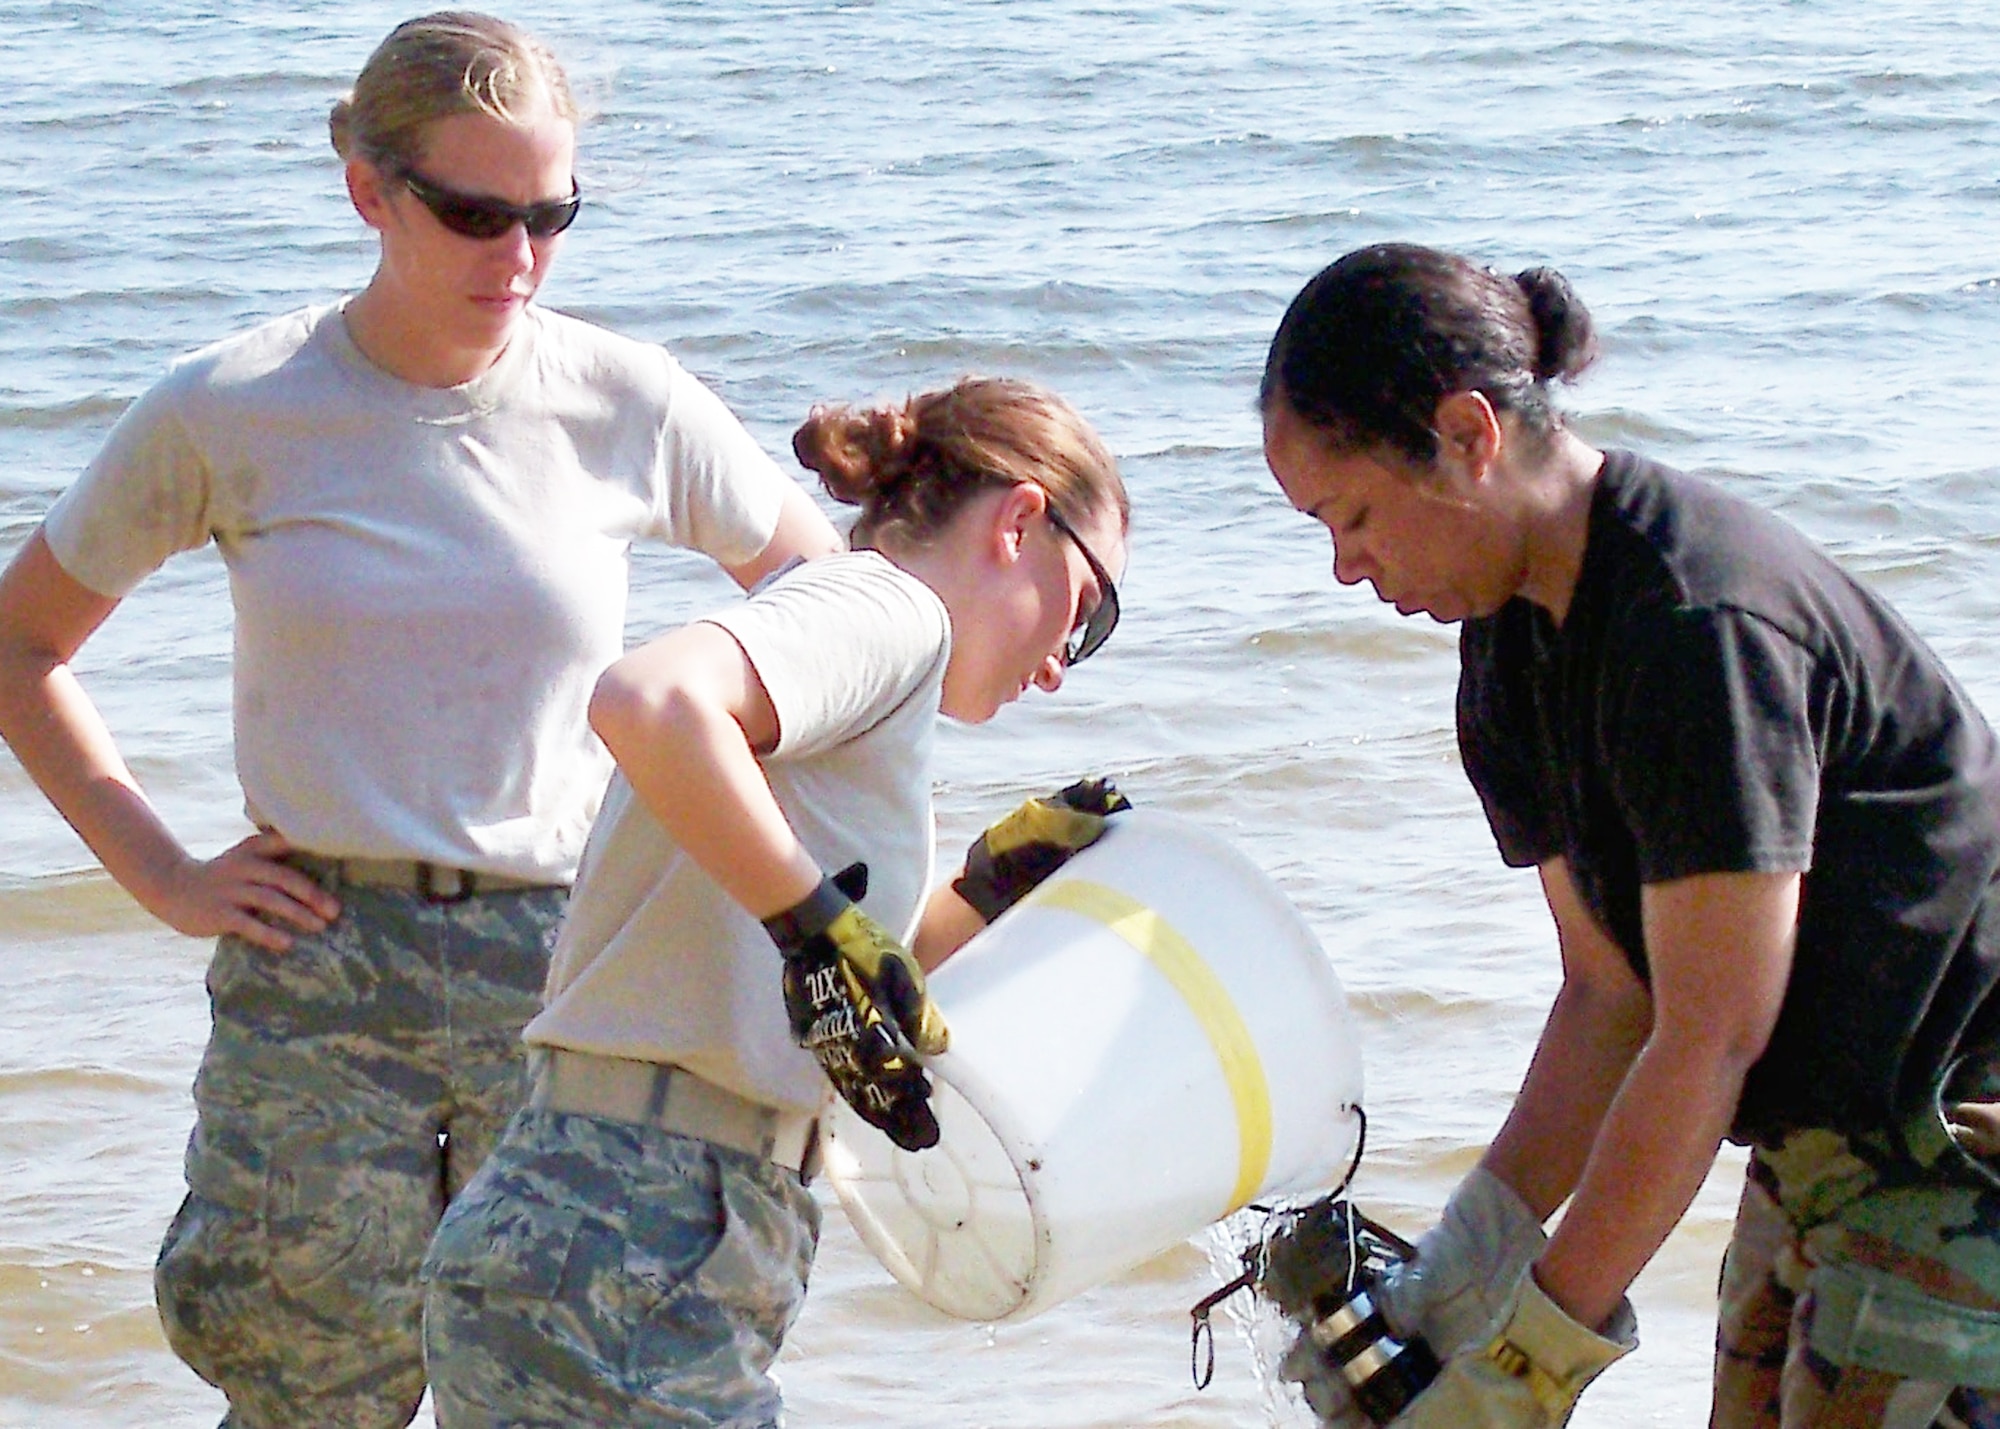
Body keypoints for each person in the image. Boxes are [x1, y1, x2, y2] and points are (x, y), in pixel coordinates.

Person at [0, 12, 843, 1427]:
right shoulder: (233, 408)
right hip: (318, 970)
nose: (515, 259)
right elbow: (22, 646)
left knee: (569, 1387)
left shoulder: (627, 398)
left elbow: (830, 622)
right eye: (473, 214)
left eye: (549, 216)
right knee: (300, 1389)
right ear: (368, 190)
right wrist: (162, 871)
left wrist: (735, 842)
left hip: (574, 972)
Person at [1259, 242, 2000, 1429]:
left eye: (1350, 515)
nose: (1345, 566)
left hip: (1952, 1139)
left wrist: (1526, 1365)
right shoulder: (1508, 644)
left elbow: (1709, 1032)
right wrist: (1459, 1271)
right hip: (1810, 1142)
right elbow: (1609, 999)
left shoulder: (1698, 623)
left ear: (1466, 434)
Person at [417, 374, 1131, 1427]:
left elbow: (811, 974)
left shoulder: (864, 680)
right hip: (634, 1231)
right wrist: (813, 922)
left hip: (619, 1230)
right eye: (1088, 612)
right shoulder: (886, 610)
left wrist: (976, 892)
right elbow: (647, 696)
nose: (1063, 667)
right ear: (1021, 520)